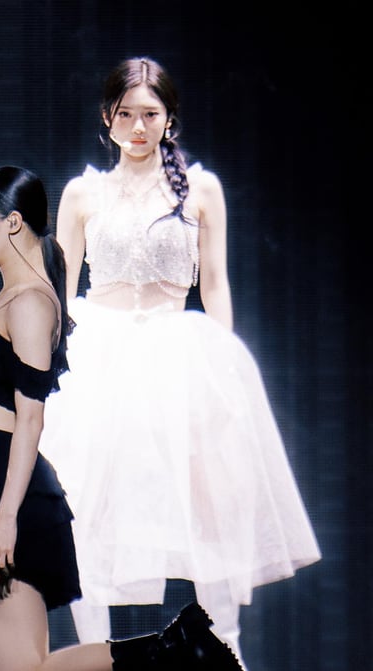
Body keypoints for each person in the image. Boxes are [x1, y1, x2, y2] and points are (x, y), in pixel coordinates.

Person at [37, 57, 322, 670]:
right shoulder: (84, 193)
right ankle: (101, 658)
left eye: (151, 114)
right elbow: (58, 287)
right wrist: (46, 362)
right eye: (126, 114)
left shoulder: (200, 190)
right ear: (107, 117)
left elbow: (214, 284)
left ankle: (226, 652)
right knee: (85, 508)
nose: (138, 127)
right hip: (99, 355)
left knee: (206, 506)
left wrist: (223, 366)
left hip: (176, 354)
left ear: (169, 119)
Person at [0, 165, 242, 671]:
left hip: (5, 490)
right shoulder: (18, 297)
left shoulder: (30, 302)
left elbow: (31, 419)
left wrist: (6, 518)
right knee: (27, 666)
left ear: (12, 222)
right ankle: (175, 647)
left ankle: (177, 648)